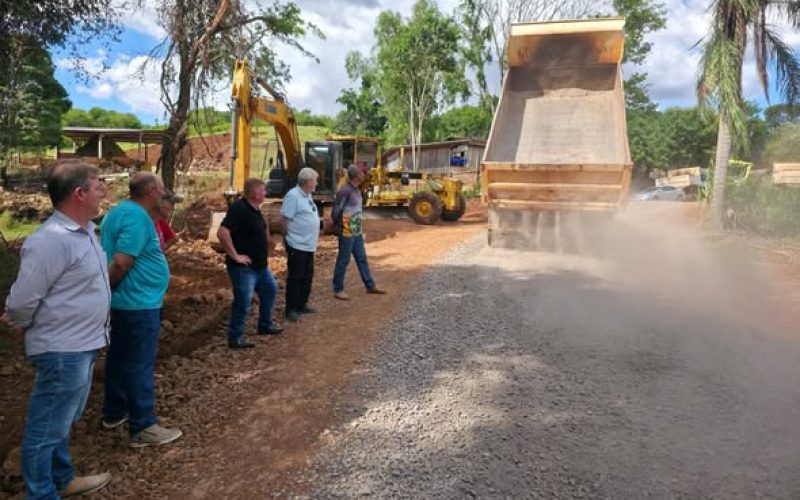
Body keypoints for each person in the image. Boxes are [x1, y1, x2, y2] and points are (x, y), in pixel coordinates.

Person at [2, 161, 112, 498]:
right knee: (45, 429)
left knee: (59, 421)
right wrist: (21, 322)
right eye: (97, 187)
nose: (103, 192)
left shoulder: (85, 232)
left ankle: (62, 479)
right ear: (79, 194)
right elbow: (21, 301)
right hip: (62, 350)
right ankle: (42, 493)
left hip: (81, 345)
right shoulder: (50, 241)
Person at [100, 172, 182, 447]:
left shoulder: (121, 212)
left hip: (130, 302)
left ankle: (115, 411)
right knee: (139, 364)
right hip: (137, 303)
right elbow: (121, 263)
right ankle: (142, 425)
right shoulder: (135, 217)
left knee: (121, 358)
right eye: (161, 188)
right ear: (150, 191)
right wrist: (104, 292)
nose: (164, 193)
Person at [217, 178, 283, 348]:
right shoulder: (239, 209)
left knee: (270, 289)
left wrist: (269, 242)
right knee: (243, 301)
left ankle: (265, 324)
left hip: (260, 267)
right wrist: (235, 256)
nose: (265, 193)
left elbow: (260, 229)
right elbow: (222, 232)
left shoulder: (256, 210)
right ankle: (235, 337)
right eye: (262, 191)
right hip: (243, 268)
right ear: (254, 193)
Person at [280, 167, 329, 322]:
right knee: (296, 277)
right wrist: (287, 240)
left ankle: (302, 305)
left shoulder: (307, 195)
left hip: (308, 245)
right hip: (297, 244)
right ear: (308, 181)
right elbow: (284, 220)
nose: (317, 182)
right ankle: (291, 309)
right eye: (315, 180)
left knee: (307, 276)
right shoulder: (293, 196)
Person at [331, 164, 386, 300]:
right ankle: (338, 289)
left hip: (356, 229)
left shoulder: (355, 189)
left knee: (361, 258)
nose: (364, 174)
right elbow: (336, 212)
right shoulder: (345, 191)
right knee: (343, 260)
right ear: (357, 176)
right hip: (347, 230)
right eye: (362, 173)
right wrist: (342, 226)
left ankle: (370, 285)